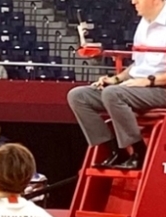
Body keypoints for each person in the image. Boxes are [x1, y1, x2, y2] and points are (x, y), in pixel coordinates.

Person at [66, 0, 166, 170]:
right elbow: (139, 65)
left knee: (113, 94)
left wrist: (149, 81)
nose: (133, 1)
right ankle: (115, 151)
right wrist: (117, 79)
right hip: (136, 85)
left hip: (160, 89)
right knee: (78, 96)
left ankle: (139, 153)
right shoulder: (143, 24)